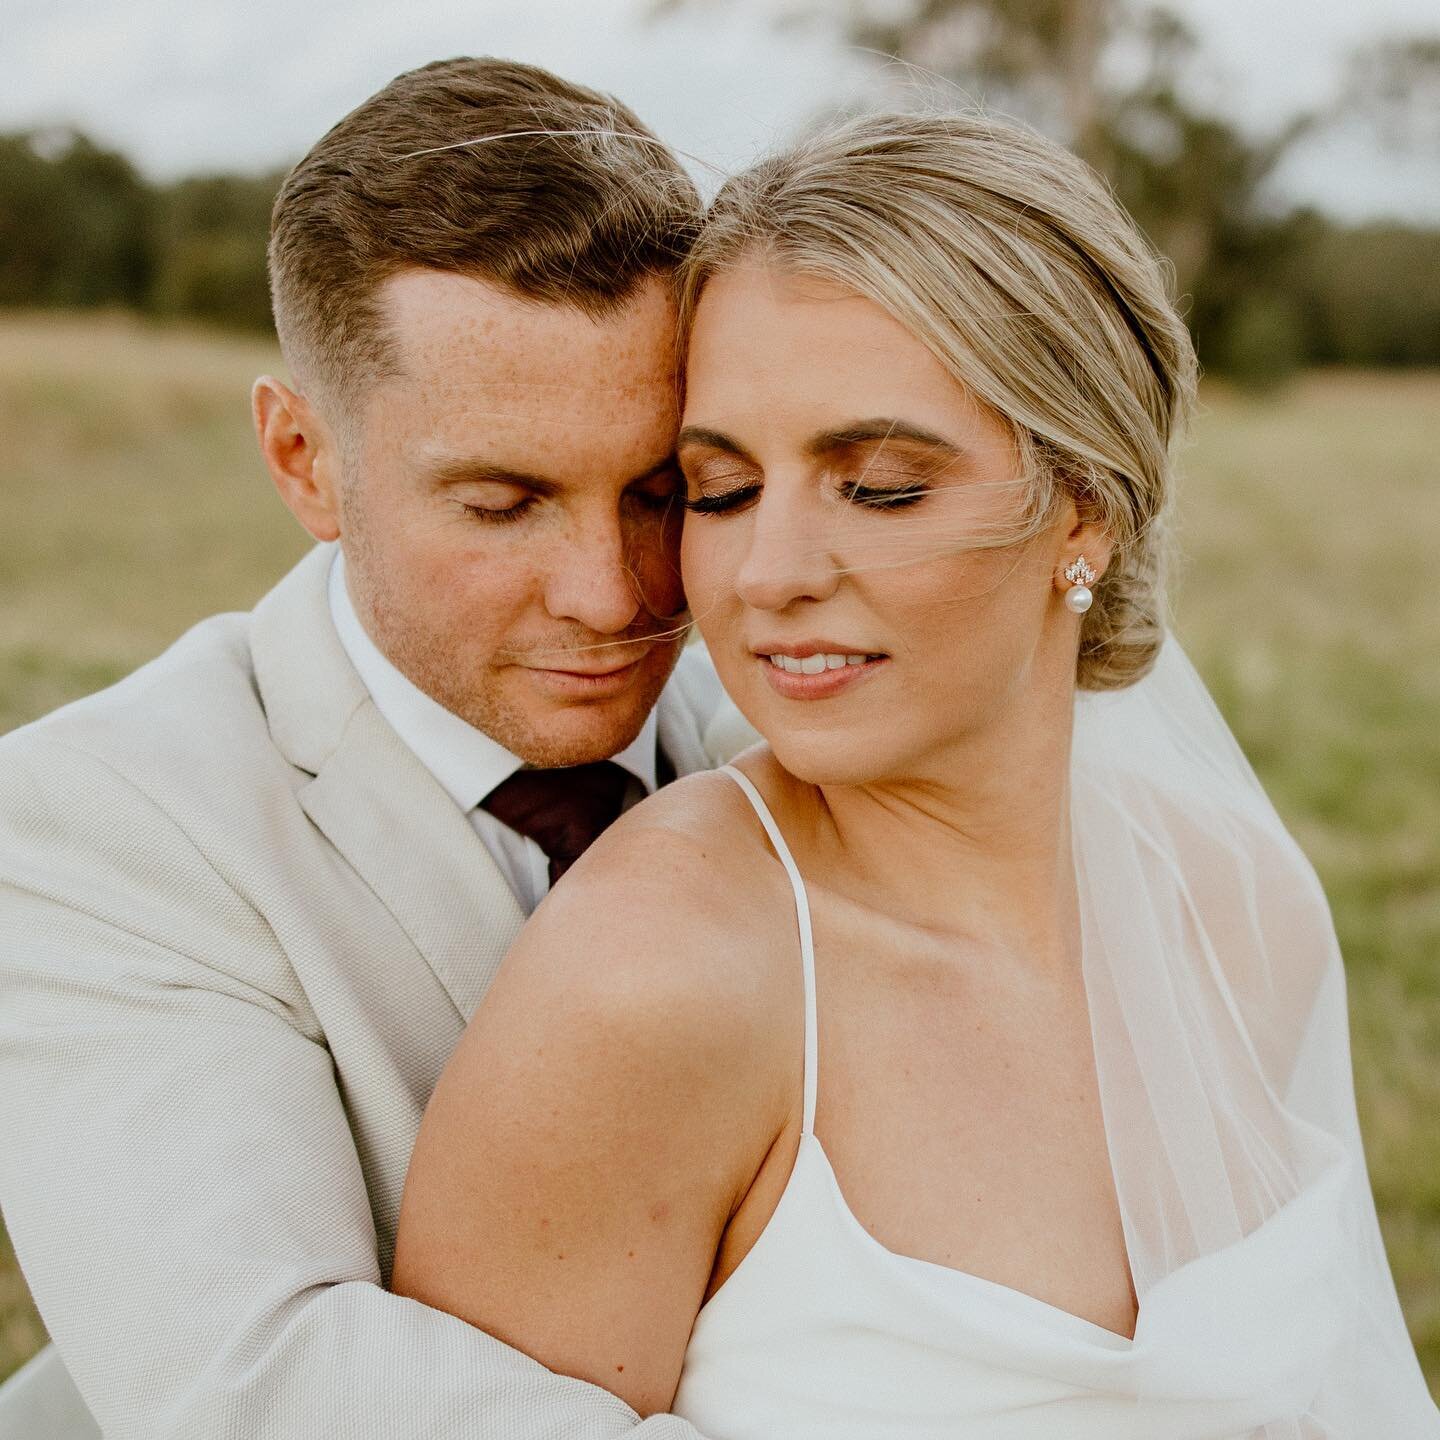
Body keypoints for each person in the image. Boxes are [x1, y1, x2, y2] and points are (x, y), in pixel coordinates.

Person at [392, 111, 1440, 1436]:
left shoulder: (1237, 905)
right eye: (717, 491)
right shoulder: (655, 979)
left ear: (1086, 509)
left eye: (879, 485)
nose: (768, 574)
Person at [0, 58, 748, 1440]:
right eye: (503, 501)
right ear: (303, 460)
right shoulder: (93, 824)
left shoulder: (795, 740)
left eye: (661, 490)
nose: (614, 591)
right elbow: (258, 1384)